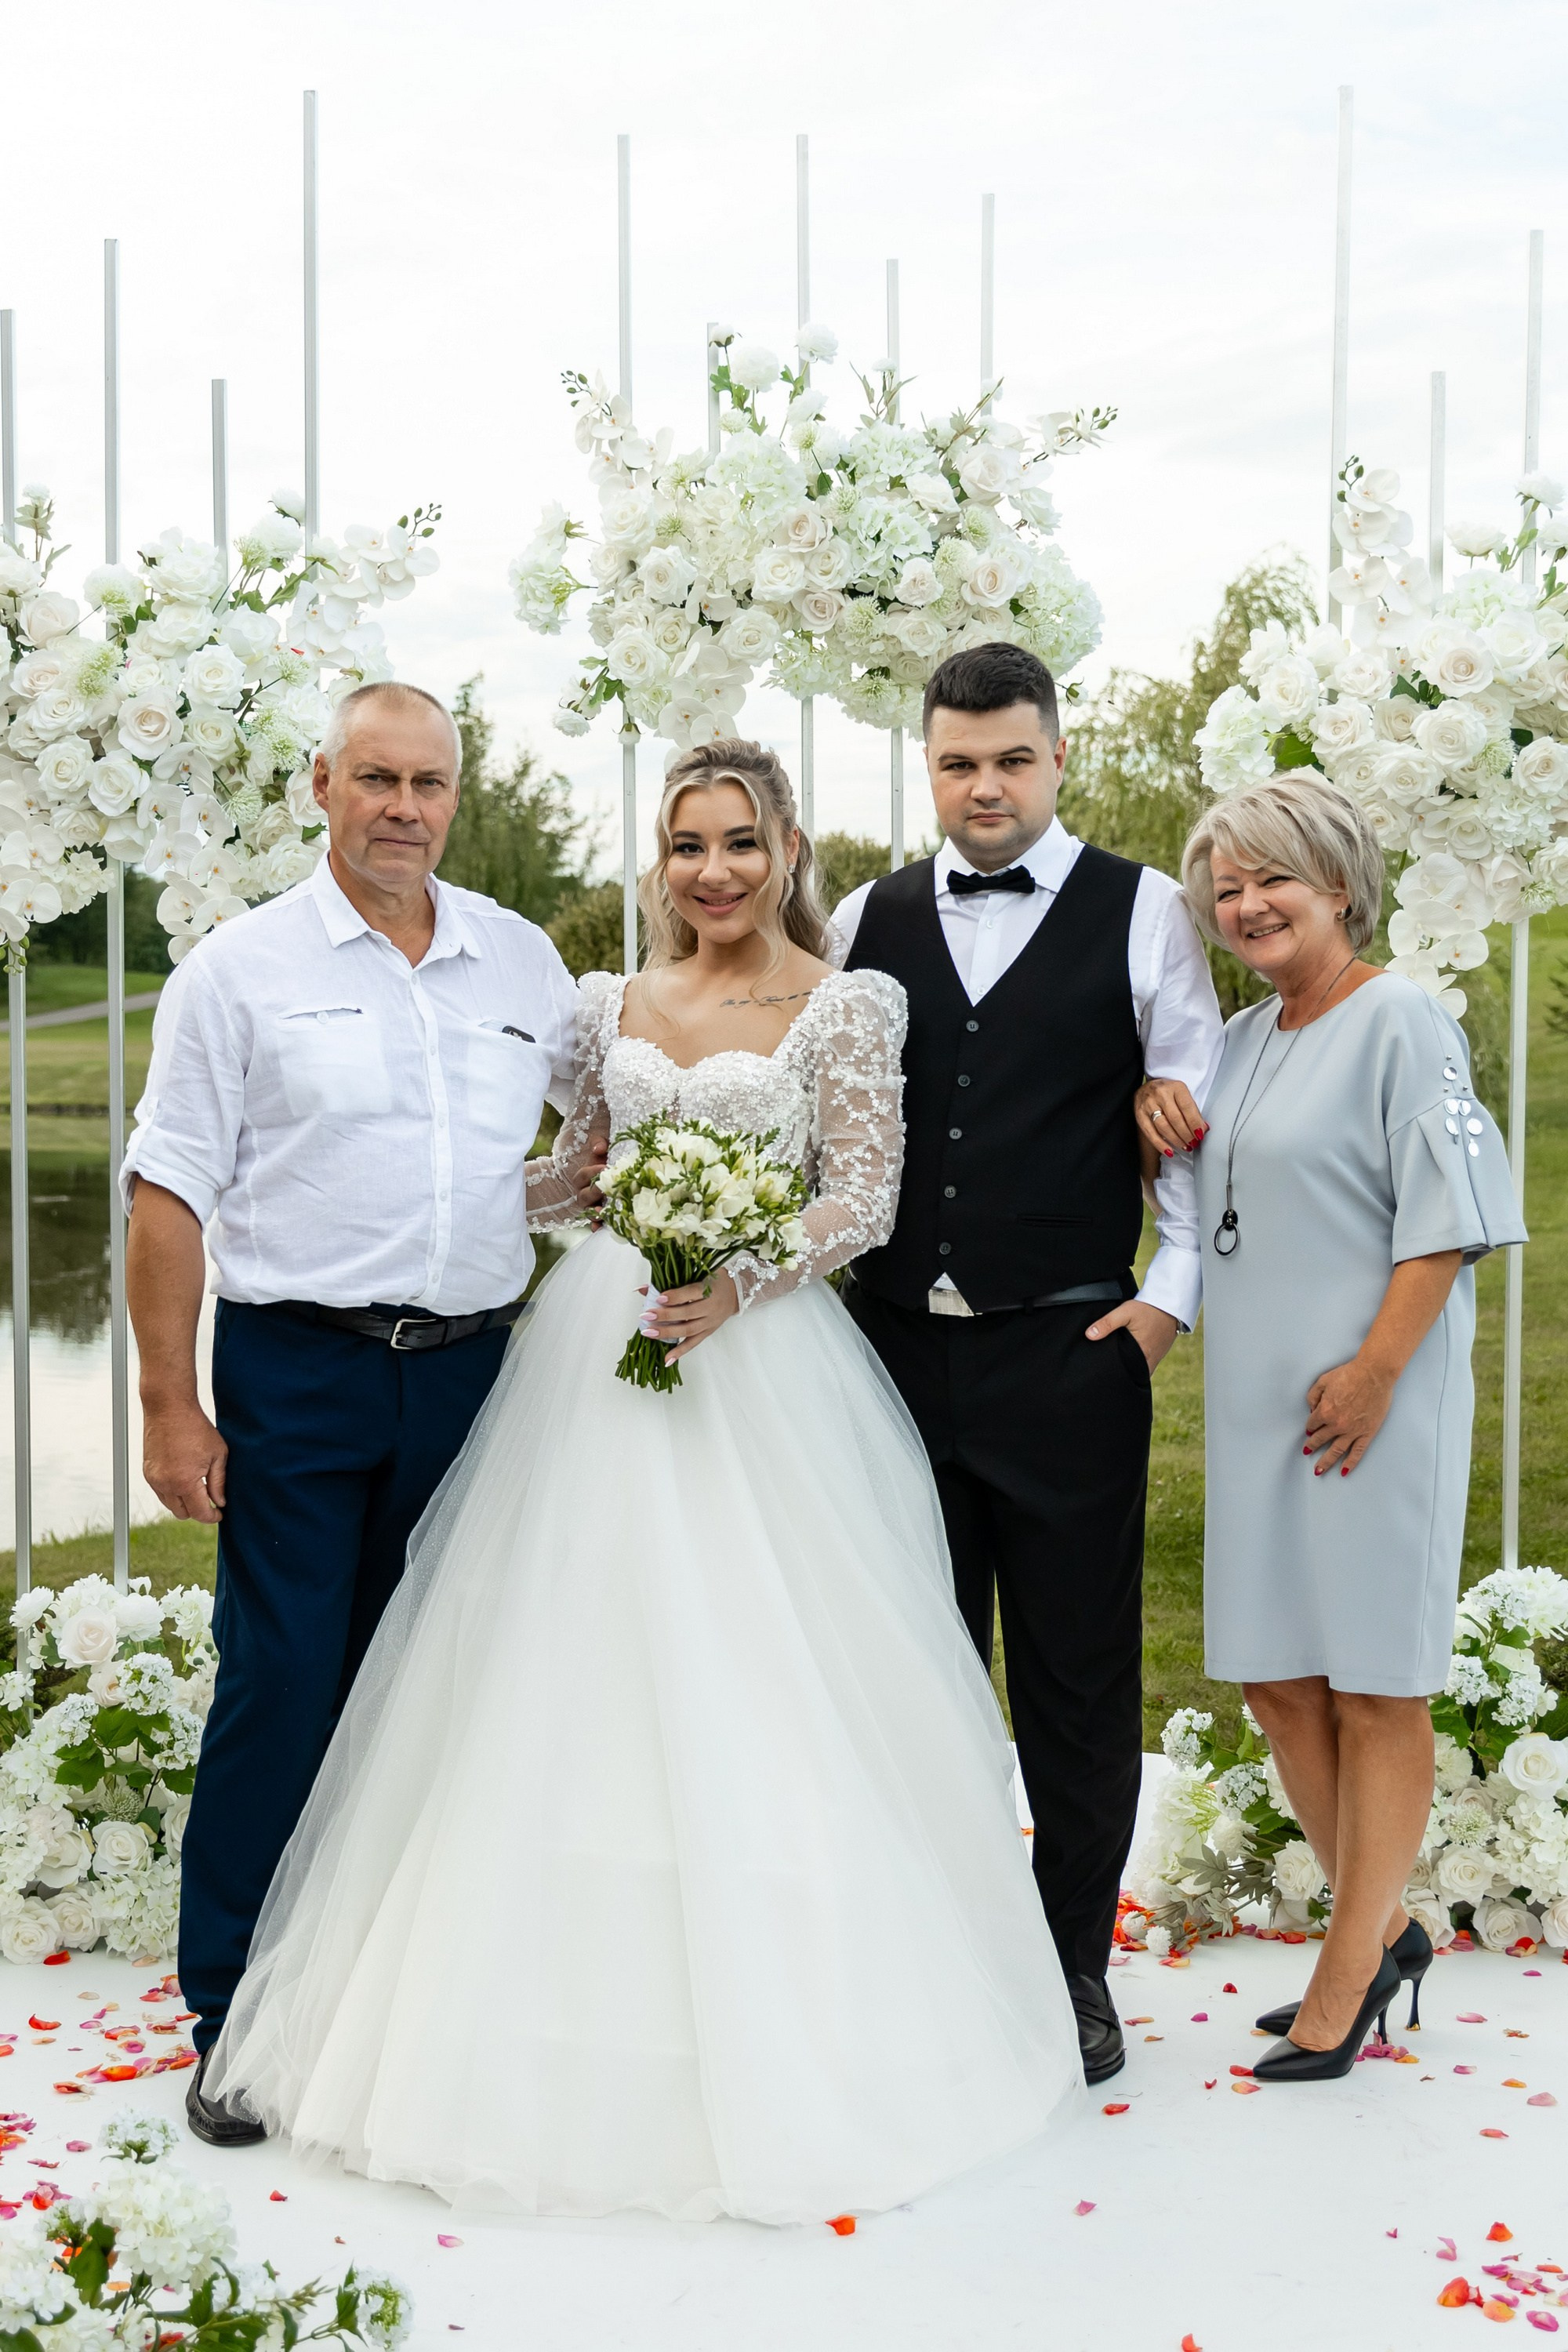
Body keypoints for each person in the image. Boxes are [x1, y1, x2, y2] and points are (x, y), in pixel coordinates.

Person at [204, 737, 1082, 2224]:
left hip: (756, 1364)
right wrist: (492, 1185)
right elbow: (564, 1172)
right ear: (660, 860)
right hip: (595, 1353)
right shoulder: (602, 1001)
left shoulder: (847, 1004)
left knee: (757, 1669)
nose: (716, 871)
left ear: (787, 846)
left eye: (741, 841)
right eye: (688, 845)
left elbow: (859, 1200)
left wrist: (738, 1274)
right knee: (549, 1664)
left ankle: (790, 2006)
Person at [122, 681, 579, 2146]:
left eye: (428, 783)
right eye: (374, 778)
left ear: (457, 795)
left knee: (441, 1687)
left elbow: (605, 1125)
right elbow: (168, 1194)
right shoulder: (235, 970)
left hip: (472, 1375)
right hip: (297, 1373)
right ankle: (235, 2017)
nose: (402, 807)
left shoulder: (523, 963)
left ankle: (404, 1996)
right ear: (323, 783)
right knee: (283, 1681)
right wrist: (168, 1407)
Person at [828, 641, 1223, 2085]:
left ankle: (1071, 1970)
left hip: (1068, 1350)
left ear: (1058, 758)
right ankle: (926, 1952)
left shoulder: (1150, 912)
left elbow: (1195, 1112)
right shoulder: (870, 914)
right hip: (886, 1364)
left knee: (1070, 1677)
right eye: (956, 762)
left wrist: (1167, 1303)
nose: (983, 787)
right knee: (908, 1667)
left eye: (1010, 759)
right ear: (927, 767)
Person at [1139, 775, 1525, 2078]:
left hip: (1373, 1398)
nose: (1245, 906)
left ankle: (1350, 1965)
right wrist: (1161, 1128)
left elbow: (1454, 1215)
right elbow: (1222, 1186)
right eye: (1226, 887)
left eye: (1272, 881)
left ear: (1340, 887)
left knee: (1373, 1681)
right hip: (1259, 1404)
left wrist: (1375, 1370)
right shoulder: (1243, 1039)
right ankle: (1388, 1924)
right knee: (1277, 1676)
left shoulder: (1403, 1017)